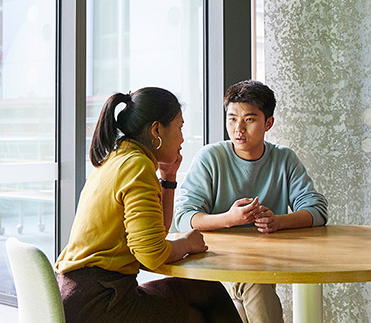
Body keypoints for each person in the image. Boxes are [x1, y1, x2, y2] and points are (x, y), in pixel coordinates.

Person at [55, 87, 242, 323]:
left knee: (203, 295)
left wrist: (168, 178)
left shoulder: (120, 157)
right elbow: (152, 256)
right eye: (180, 128)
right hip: (99, 302)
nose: (183, 138)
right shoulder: (137, 168)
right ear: (156, 130)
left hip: (83, 294)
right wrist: (187, 243)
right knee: (203, 305)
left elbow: (155, 234)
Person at [173, 80, 328, 323]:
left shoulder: (284, 159)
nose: (238, 129)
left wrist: (278, 221)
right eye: (232, 118)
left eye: (249, 119)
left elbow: (317, 210)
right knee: (255, 284)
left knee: (254, 286)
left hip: (263, 263)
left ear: (268, 123)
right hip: (215, 264)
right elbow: (183, 218)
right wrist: (229, 219)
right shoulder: (210, 158)